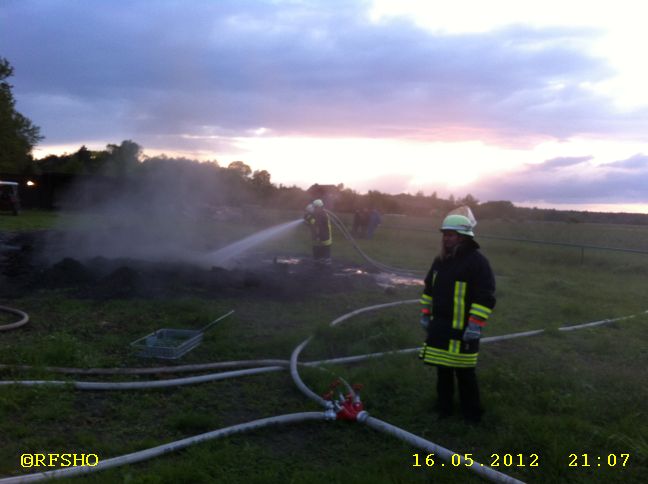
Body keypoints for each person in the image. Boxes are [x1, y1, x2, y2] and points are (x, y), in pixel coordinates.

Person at [418, 207, 496, 424]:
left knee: (465, 373)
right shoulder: (440, 261)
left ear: (463, 237)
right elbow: (428, 289)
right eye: (445, 234)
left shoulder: (477, 262)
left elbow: (485, 296)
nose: (447, 238)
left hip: (464, 329)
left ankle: (472, 414)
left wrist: (475, 324)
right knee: (443, 371)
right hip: (441, 327)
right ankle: (444, 409)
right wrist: (425, 314)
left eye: (451, 234)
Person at [304, 199, 332, 264]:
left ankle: (326, 264)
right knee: (319, 249)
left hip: (325, 236)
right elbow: (311, 223)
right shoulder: (318, 213)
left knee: (325, 250)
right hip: (320, 236)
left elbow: (316, 224)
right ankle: (320, 261)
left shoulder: (322, 215)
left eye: (315, 207)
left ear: (318, 207)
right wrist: (307, 217)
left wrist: (309, 219)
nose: (314, 209)